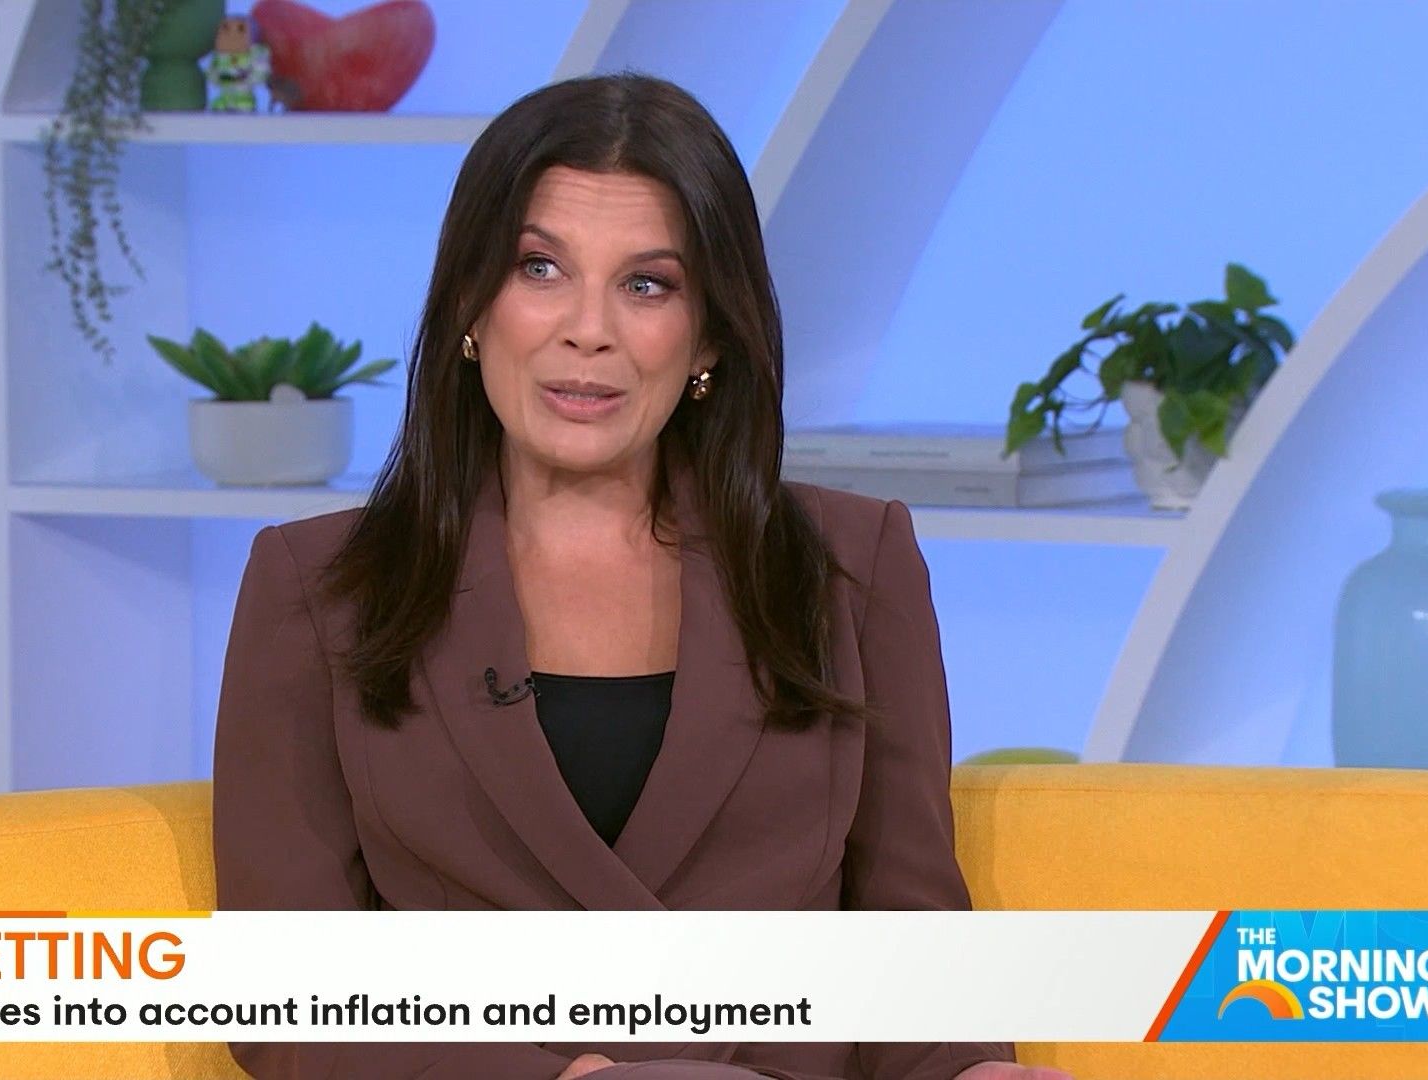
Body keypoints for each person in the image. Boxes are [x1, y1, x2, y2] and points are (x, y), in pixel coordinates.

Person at [212, 72, 1071, 1080]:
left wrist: (974, 1072)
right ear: (469, 308)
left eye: (647, 285)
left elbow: (910, 945)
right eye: (540, 268)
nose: (589, 329)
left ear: (708, 337)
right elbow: (288, 999)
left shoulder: (852, 566)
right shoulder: (321, 587)